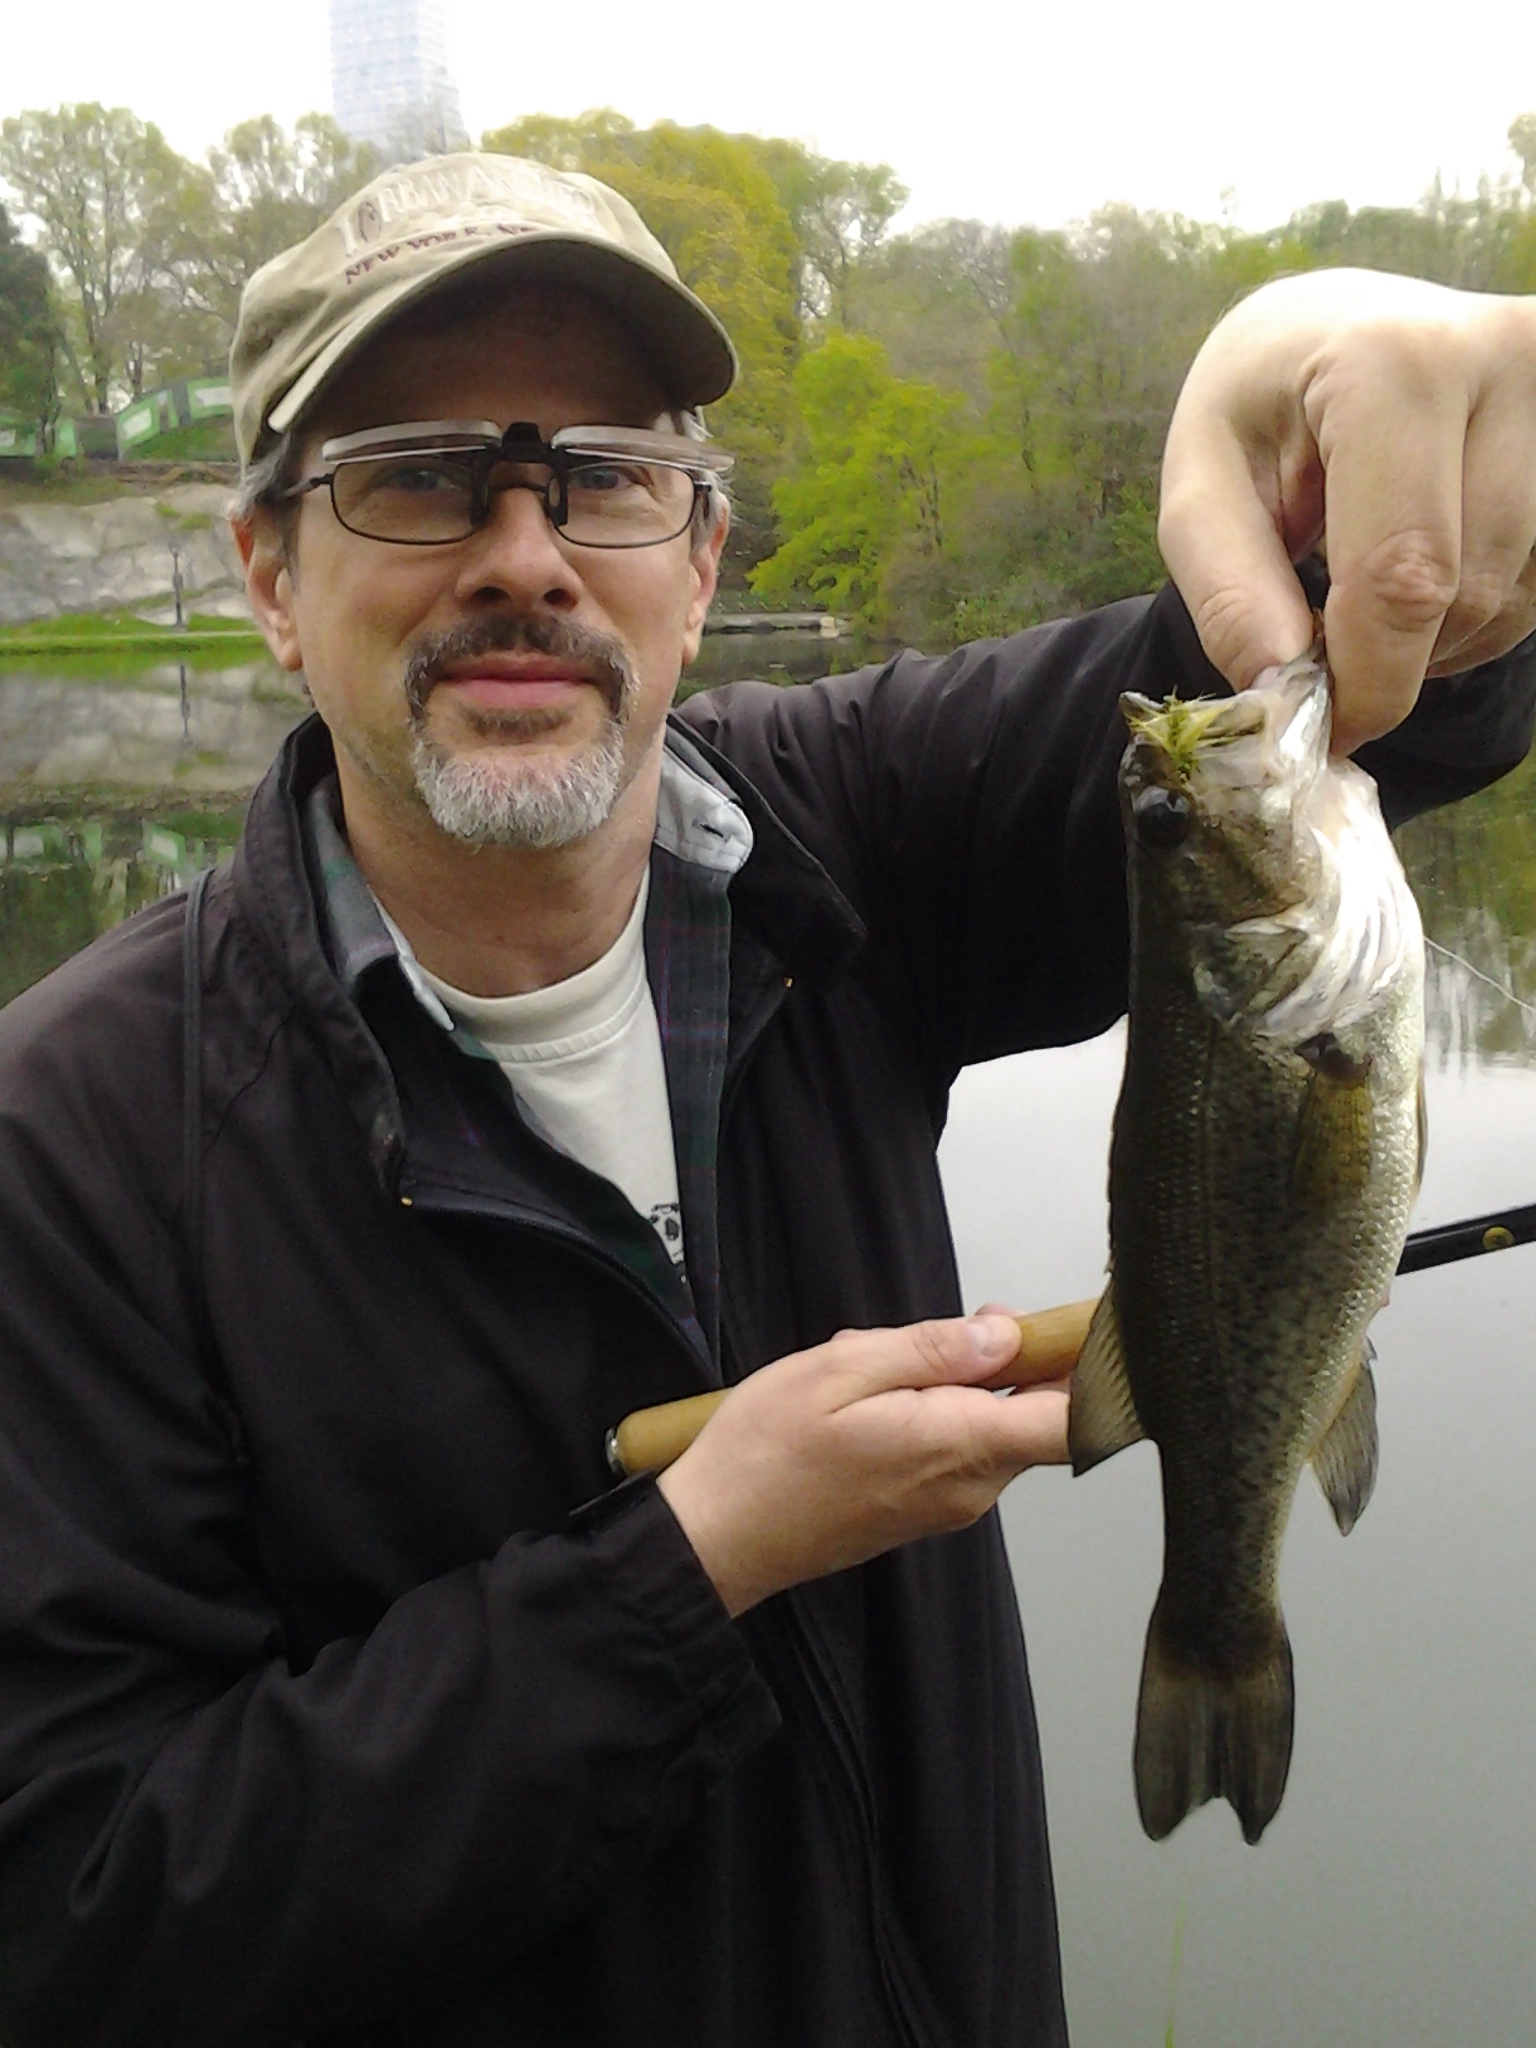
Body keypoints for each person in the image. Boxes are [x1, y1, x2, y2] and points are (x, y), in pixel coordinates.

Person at [0, 151, 1531, 2048]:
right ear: (269, 581)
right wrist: (691, 1565)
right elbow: (76, 1919)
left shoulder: (849, 830)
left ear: (702, 561)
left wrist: (1317, 375)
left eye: (607, 478)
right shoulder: (67, 1147)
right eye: (417, 476)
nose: (525, 552)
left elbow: (1336, 695)